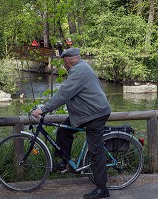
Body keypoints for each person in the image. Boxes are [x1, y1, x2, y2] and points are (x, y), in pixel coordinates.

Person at [32, 48, 111, 199]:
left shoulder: (79, 71)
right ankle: (64, 162)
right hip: (86, 113)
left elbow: (63, 93)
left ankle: (102, 189)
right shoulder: (83, 67)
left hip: (94, 115)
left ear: (67, 61)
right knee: (64, 131)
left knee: (96, 152)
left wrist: (44, 109)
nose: (64, 65)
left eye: (64, 62)